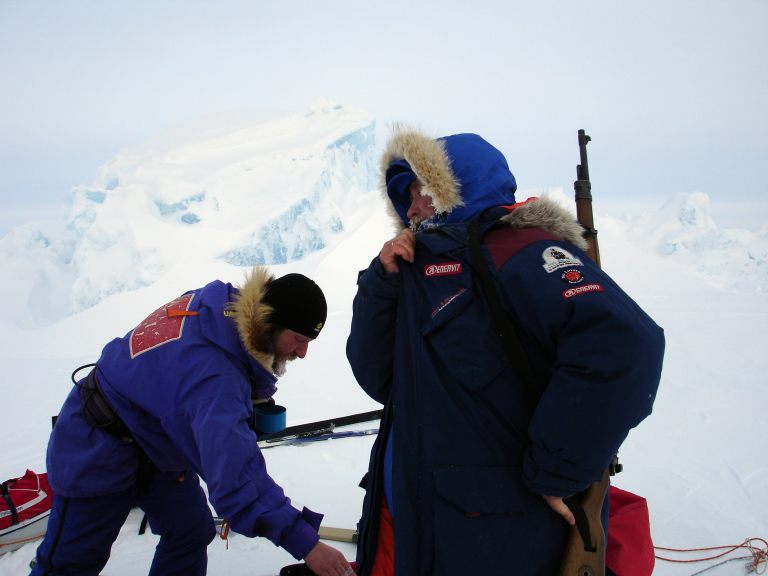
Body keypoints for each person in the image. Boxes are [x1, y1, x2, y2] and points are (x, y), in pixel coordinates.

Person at [346, 128, 665, 575]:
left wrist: (558, 467)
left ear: (455, 186)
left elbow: (625, 345)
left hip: (498, 531)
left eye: (422, 191)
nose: (413, 208)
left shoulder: (520, 251)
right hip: (426, 520)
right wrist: (382, 284)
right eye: (407, 197)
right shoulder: (422, 271)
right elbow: (380, 379)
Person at [32, 266, 354, 576]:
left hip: (155, 438)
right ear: (269, 321)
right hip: (99, 443)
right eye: (298, 339)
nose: (302, 353)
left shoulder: (223, 309)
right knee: (69, 564)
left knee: (191, 531)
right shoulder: (216, 384)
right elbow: (237, 482)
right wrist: (307, 545)